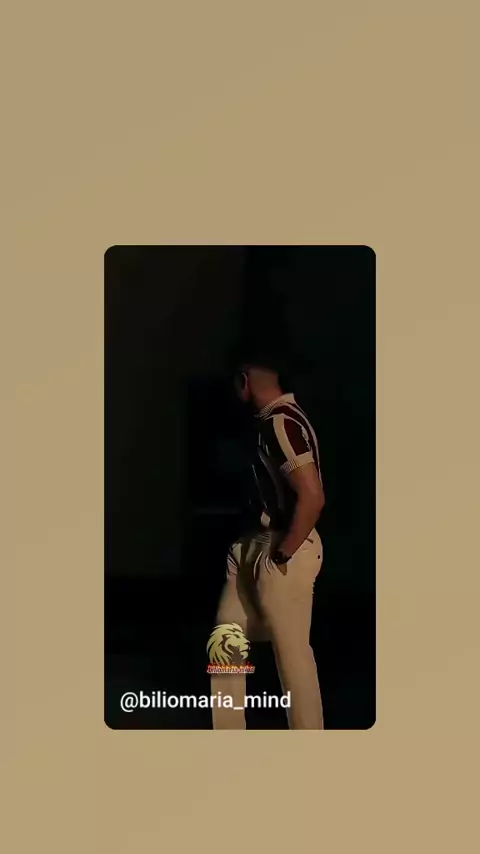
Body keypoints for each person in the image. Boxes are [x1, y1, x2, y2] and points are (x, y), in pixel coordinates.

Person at [210, 353, 326, 729]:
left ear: (244, 381)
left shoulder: (280, 422)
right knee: (226, 643)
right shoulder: (272, 421)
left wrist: (283, 553)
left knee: (291, 658)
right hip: (253, 545)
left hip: (281, 547)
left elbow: (312, 496)